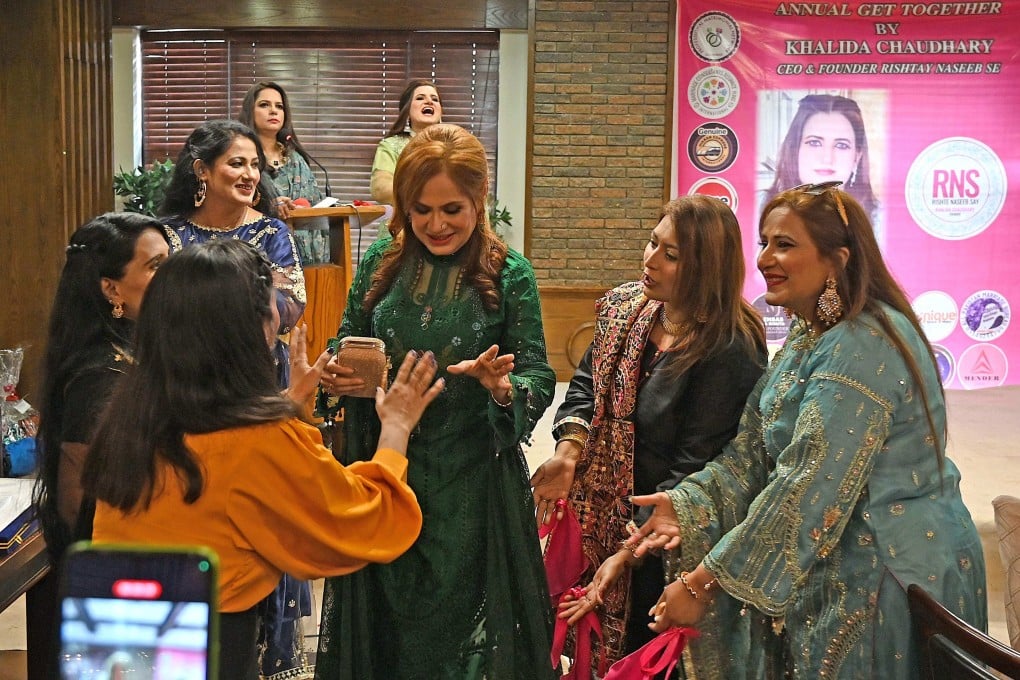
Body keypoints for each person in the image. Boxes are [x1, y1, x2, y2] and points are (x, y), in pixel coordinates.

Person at [627, 183, 987, 680]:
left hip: (890, 576)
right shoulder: (809, 333)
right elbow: (753, 450)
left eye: (785, 244)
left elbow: (807, 488)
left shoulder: (864, 345)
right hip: (834, 565)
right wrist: (688, 503)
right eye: (764, 242)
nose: (765, 259)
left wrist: (703, 584)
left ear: (837, 261)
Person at [85, 239, 443, 679]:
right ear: (253, 328)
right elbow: (365, 520)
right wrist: (397, 428)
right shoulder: (259, 440)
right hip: (206, 649)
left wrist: (284, 407)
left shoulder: (132, 416)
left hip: (115, 642)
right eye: (274, 304)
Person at [314, 124, 557, 679]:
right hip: (384, 472)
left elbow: (538, 373)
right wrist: (337, 371)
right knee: (386, 620)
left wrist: (503, 388)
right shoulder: (380, 262)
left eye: (453, 208)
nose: (436, 224)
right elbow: (347, 336)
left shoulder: (509, 274)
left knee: (460, 627)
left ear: (480, 199)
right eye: (420, 210)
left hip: (472, 486)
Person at [530, 195, 768, 669]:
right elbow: (584, 386)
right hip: (600, 516)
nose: (650, 260)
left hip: (663, 541)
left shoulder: (728, 348)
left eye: (671, 255)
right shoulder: (627, 309)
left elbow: (693, 469)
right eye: (651, 243)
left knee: (643, 655)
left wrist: (628, 553)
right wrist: (570, 451)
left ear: (706, 268)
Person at [159, 119, 311, 678]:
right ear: (202, 170)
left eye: (254, 164)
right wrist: (242, 300)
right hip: (182, 392)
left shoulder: (271, 232)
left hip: (253, 389)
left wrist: (209, 306)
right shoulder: (166, 234)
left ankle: (260, 654)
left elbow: (291, 306)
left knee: (257, 510)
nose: (251, 174)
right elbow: (156, 312)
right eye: (236, 164)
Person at [28, 212, 169, 680]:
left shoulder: (136, 346)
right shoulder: (100, 373)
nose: (170, 277)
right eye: (154, 267)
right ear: (112, 289)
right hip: (113, 576)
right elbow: (77, 505)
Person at [239, 80, 329, 264]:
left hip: (306, 259)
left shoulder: (296, 159)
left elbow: (315, 206)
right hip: (256, 259)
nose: (273, 111)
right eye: (264, 105)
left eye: (279, 106)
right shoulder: (241, 159)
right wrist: (269, 207)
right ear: (250, 111)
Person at [764, 94, 879, 225]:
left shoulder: (881, 220)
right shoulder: (759, 204)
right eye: (814, 143)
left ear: (856, 158)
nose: (827, 158)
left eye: (841, 145)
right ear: (795, 150)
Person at [369, 79, 442, 208]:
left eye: (435, 99)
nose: (429, 101)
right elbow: (380, 189)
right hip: (402, 224)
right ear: (407, 110)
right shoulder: (390, 146)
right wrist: (429, 194)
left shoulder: (455, 145)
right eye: (420, 98)